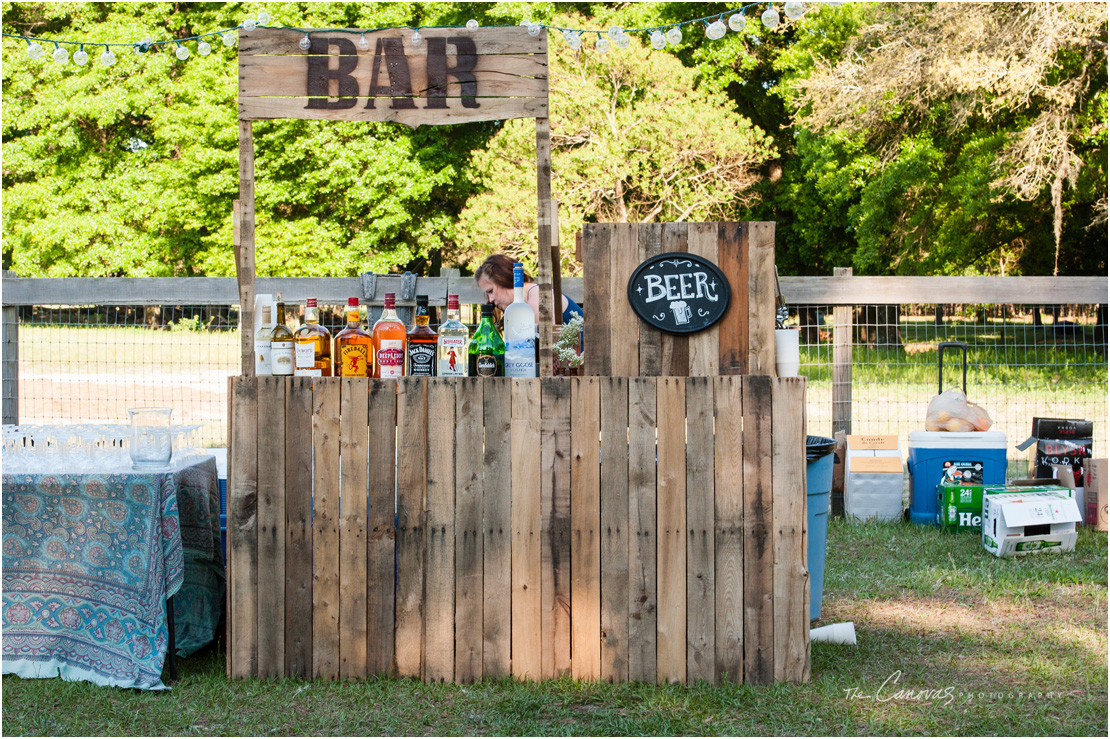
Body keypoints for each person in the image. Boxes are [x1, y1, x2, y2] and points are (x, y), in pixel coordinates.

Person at [474, 254, 583, 326]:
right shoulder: (526, 302)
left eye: (490, 291)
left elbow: (546, 349)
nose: (491, 299)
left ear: (502, 279)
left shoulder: (537, 298)